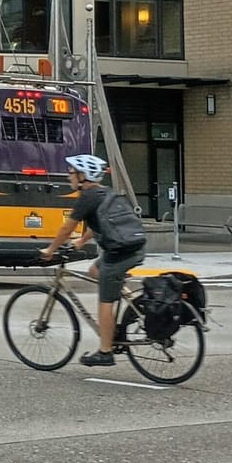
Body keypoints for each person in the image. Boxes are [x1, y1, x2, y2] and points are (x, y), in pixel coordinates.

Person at [40, 154, 149, 368]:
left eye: (72, 173)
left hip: (119, 254)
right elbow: (101, 222)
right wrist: (81, 241)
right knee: (94, 271)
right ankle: (129, 299)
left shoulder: (87, 197)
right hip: (133, 247)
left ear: (83, 176)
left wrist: (50, 250)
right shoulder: (105, 192)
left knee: (105, 301)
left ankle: (105, 351)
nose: (69, 177)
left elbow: (66, 228)